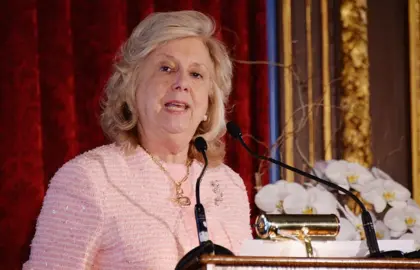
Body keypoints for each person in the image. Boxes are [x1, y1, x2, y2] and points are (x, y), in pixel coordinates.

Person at [23, 10, 252, 270]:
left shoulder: (229, 185)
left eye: (196, 74)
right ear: (132, 87)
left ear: (210, 102)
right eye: (166, 68)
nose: (181, 83)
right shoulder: (89, 178)